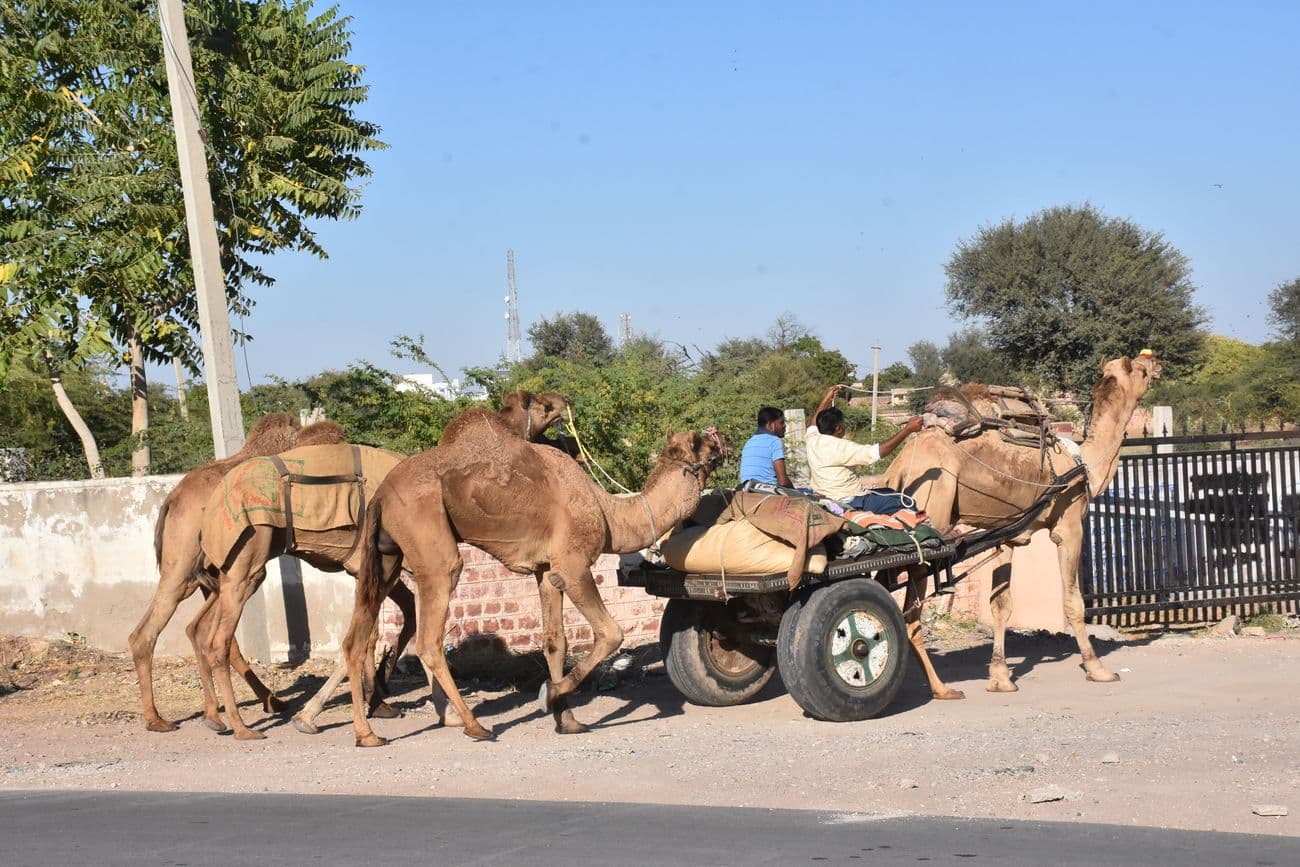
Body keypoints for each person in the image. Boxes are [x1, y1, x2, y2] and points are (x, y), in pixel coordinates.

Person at [806, 384, 923, 501]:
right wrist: (907, 430)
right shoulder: (842, 447)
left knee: (889, 492)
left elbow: (813, 423)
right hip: (849, 499)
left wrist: (827, 398)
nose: (845, 426)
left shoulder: (812, 440)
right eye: (843, 424)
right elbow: (876, 453)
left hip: (825, 495)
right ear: (838, 428)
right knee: (906, 502)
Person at [737, 406, 791, 487]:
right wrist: (797, 492)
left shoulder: (749, 442)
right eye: (781, 422)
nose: (784, 426)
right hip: (766, 489)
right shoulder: (774, 441)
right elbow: (783, 482)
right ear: (770, 425)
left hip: (746, 488)